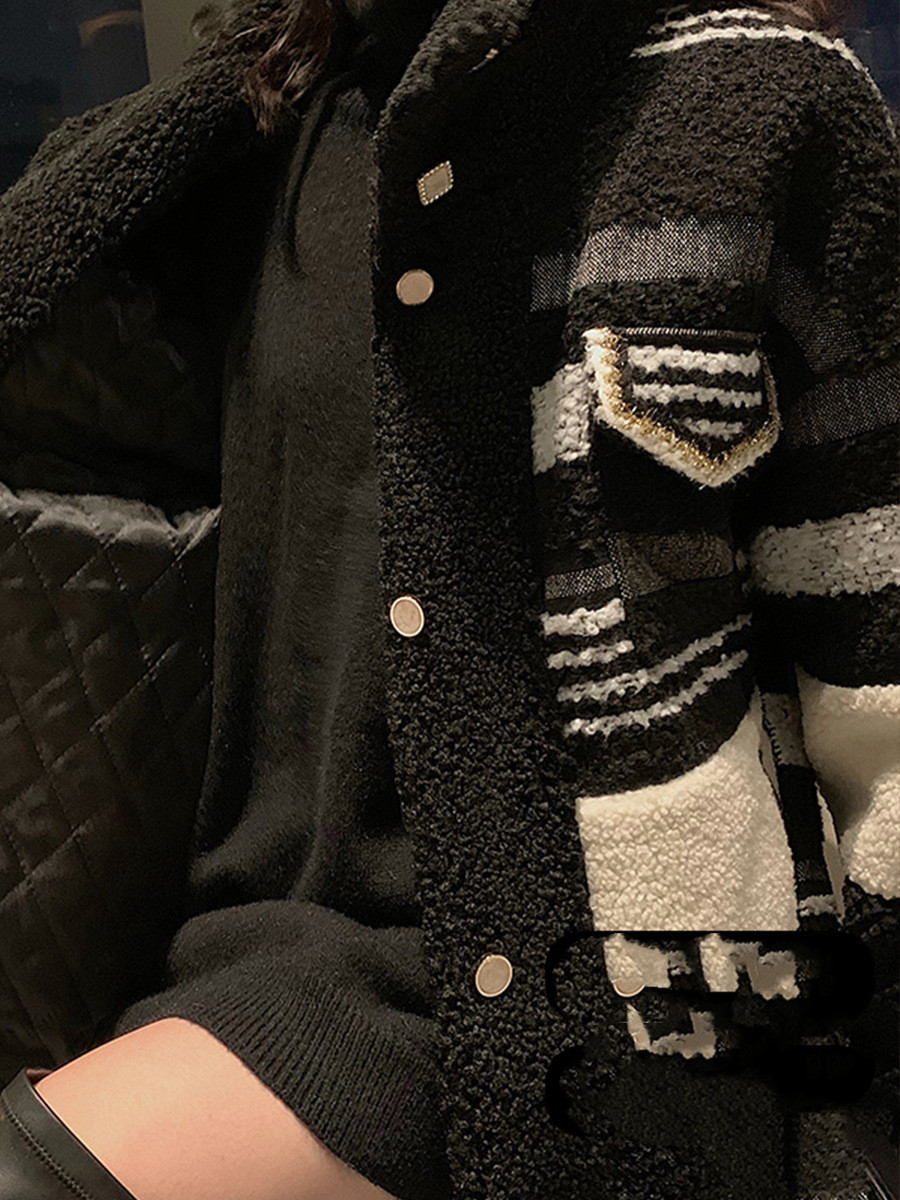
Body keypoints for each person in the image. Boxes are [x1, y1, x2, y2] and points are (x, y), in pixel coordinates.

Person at [0, 0, 897, 1198]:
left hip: (610, 999)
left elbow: (876, 663)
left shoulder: (759, 105)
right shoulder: (266, 137)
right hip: (235, 943)